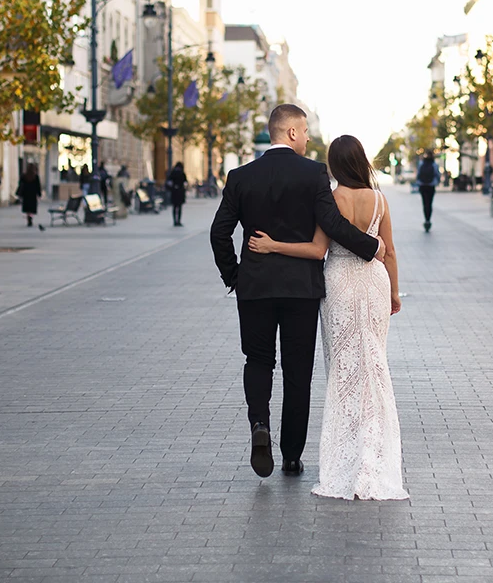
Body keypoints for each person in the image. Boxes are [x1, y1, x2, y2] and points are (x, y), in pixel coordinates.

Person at [209, 104, 384, 480]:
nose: (307, 138)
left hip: (255, 287)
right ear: (291, 133)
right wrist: (372, 247)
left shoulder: (240, 176)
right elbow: (332, 223)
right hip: (301, 289)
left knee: (257, 361)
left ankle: (260, 425)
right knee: (297, 371)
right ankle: (291, 456)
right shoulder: (312, 174)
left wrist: (236, 276)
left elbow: (219, 232)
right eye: (304, 131)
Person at [247, 134, 407, 501]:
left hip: (339, 285)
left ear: (334, 165)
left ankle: (346, 457)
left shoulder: (332, 198)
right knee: (374, 365)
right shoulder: (380, 200)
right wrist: (395, 293)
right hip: (374, 282)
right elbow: (391, 251)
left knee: (343, 368)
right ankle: (376, 450)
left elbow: (318, 250)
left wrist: (273, 245)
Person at [416, 151, 440, 232]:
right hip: (431, 186)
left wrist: (419, 183)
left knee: (424, 203)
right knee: (429, 203)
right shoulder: (434, 164)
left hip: (423, 186)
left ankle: (426, 219)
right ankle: (428, 219)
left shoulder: (421, 163)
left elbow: (418, 174)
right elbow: (437, 175)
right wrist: (437, 183)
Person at [166, 162, 187, 227]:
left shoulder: (173, 173)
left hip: (174, 192)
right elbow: (185, 183)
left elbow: (169, 182)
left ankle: (175, 221)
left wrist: (173, 187)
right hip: (180, 192)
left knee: (174, 207)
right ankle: (179, 221)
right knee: (179, 207)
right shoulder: (182, 173)